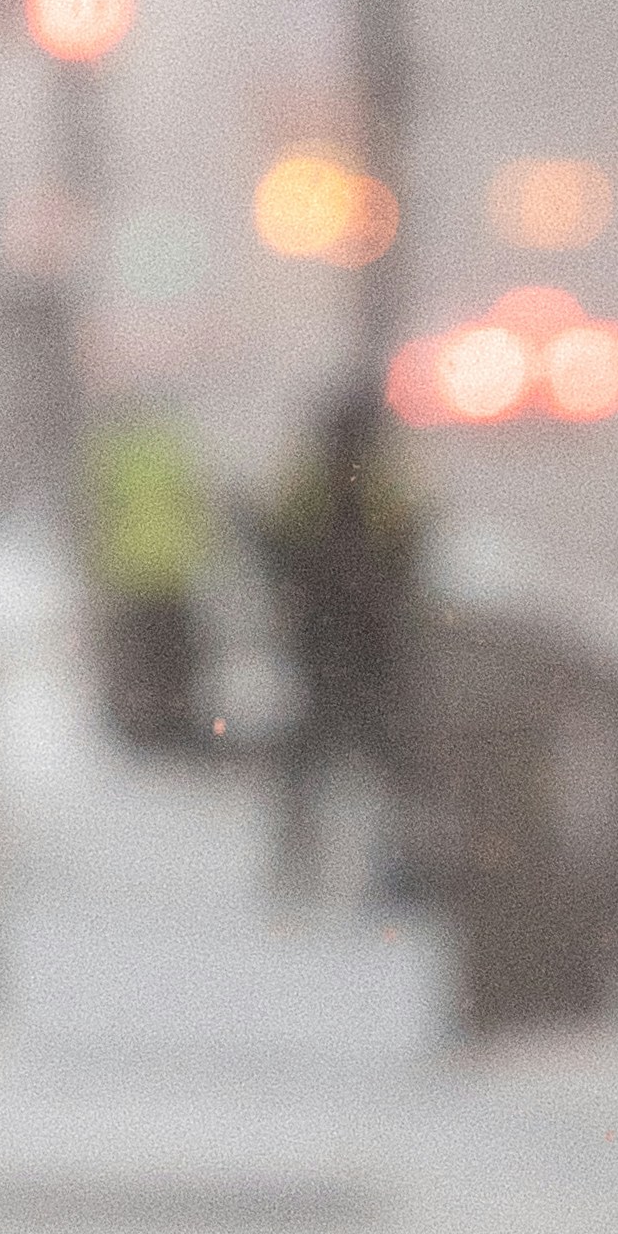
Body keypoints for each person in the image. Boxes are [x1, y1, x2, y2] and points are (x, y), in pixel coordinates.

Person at [260, 372, 427, 901]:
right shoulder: (384, 474)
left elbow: (278, 539)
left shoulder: (312, 473)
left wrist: (294, 592)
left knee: (310, 743)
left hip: (320, 629)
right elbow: (411, 542)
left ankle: (295, 860)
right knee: (387, 749)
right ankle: (393, 864)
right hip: (374, 631)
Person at [79, 399, 217, 755]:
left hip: (131, 575)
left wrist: (94, 572)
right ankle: (175, 722)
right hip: (170, 572)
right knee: (173, 655)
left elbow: (93, 516)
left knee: (141, 657)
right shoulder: (171, 446)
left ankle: (143, 726)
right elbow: (195, 507)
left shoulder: (109, 451)